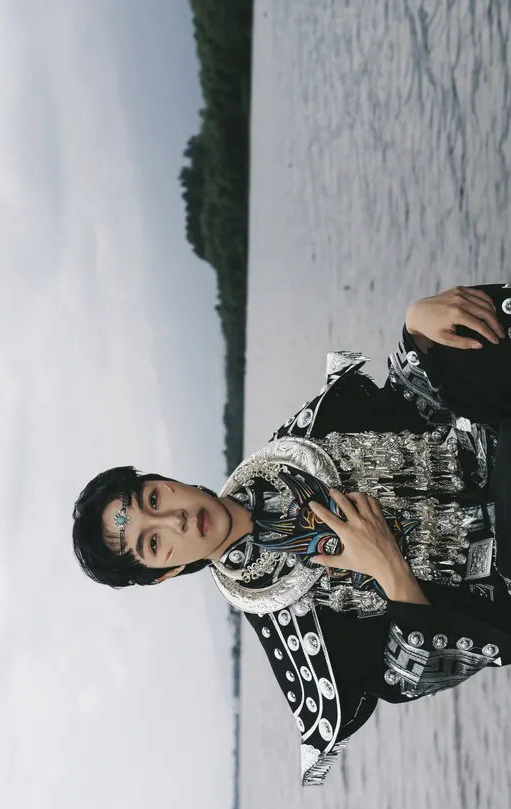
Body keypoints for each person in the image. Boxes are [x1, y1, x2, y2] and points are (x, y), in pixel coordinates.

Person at [72, 283, 511, 786]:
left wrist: (416, 330)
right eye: (153, 543)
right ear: (164, 573)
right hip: (500, 574)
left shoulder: (291, 447)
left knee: (460, 324)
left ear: (164, 481)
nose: (175, 520)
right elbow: (408, 676)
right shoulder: (295, 634)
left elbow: (407, 408)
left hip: (492, 444)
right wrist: (388, 571)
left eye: (152, 500)